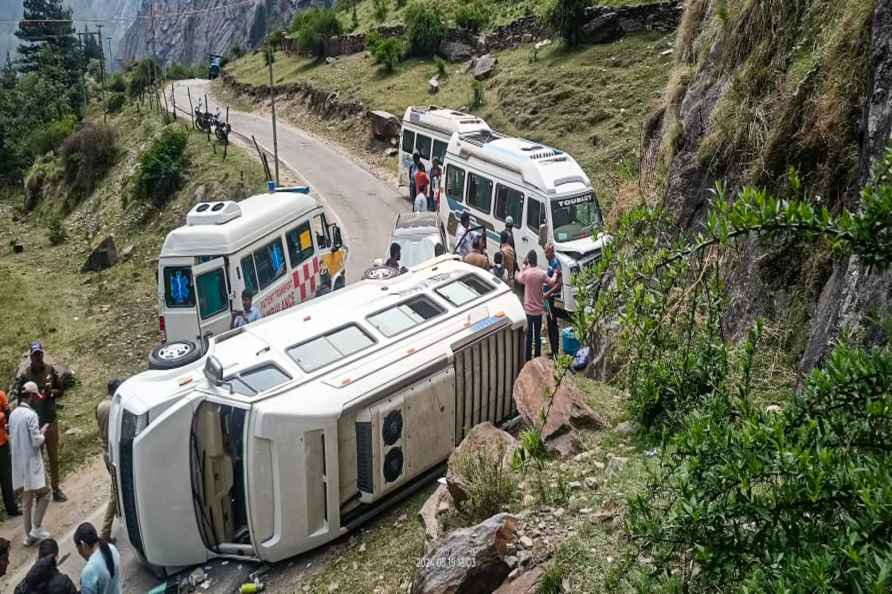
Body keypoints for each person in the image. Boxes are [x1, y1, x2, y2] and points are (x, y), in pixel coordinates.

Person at [12, 341, 67, 502]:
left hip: (50, 419)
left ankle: (56, 488)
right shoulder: (25, 375)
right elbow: (19, 395)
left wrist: (51, 393)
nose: (37, 357)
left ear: (42, 354)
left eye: (39, 354)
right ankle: (40, 491)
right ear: (30, 356)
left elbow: (61, 389)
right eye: (35, 354)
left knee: (53, 457)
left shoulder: (50, 370)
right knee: (36, 458)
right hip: (33, 423)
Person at [10, 381, 51, 546]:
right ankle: (37, 527)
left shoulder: (13, 414)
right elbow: (36, 442)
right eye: (36, 397)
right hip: (32, 463)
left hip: (19, 465)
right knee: (46, 493)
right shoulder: (31, 415)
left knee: (26, 502)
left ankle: (28, 536)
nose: (37, 400)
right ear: (33, 396)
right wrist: (43, 433)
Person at [515, 251, 558, 361]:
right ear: (537, 260)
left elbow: (518, 277)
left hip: (529, 311)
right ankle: (537, 358)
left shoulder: (526, 274)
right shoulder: (541, 274)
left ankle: (528, 359)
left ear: (529, 260)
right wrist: (556, 273)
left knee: (529, 337)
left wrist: (524, 266)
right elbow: (552, 282)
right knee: (537, 336)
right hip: (538, 311)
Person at [96, 379, 121, 543]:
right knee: (115, 492)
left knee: (117, 487)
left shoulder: (100, 406)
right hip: (113, 453)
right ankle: (105, 532)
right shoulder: (115, 407)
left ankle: (122, 516)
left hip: (105, 450)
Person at [74, 522, 121, 594]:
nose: (79, 553)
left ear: (84, 545)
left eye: (78, 548)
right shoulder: (112, 548)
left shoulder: (88, 572)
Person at [0, 390, 21, 518]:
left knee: (7, 477)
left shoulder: (1, 395)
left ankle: (11, 508)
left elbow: (8, 414)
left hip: (2, 442)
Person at [544, 243, 563, 359]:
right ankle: (552, 350)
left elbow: (559, 284)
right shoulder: (550, 263)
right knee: (549, 324)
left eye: (547, 252)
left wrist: (548, 293)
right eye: (545, 252)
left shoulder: (556, 264)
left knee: (553, 325)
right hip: (547, 299)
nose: (545, 254)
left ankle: (556, 352)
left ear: (552, 252)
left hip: (552, 299)